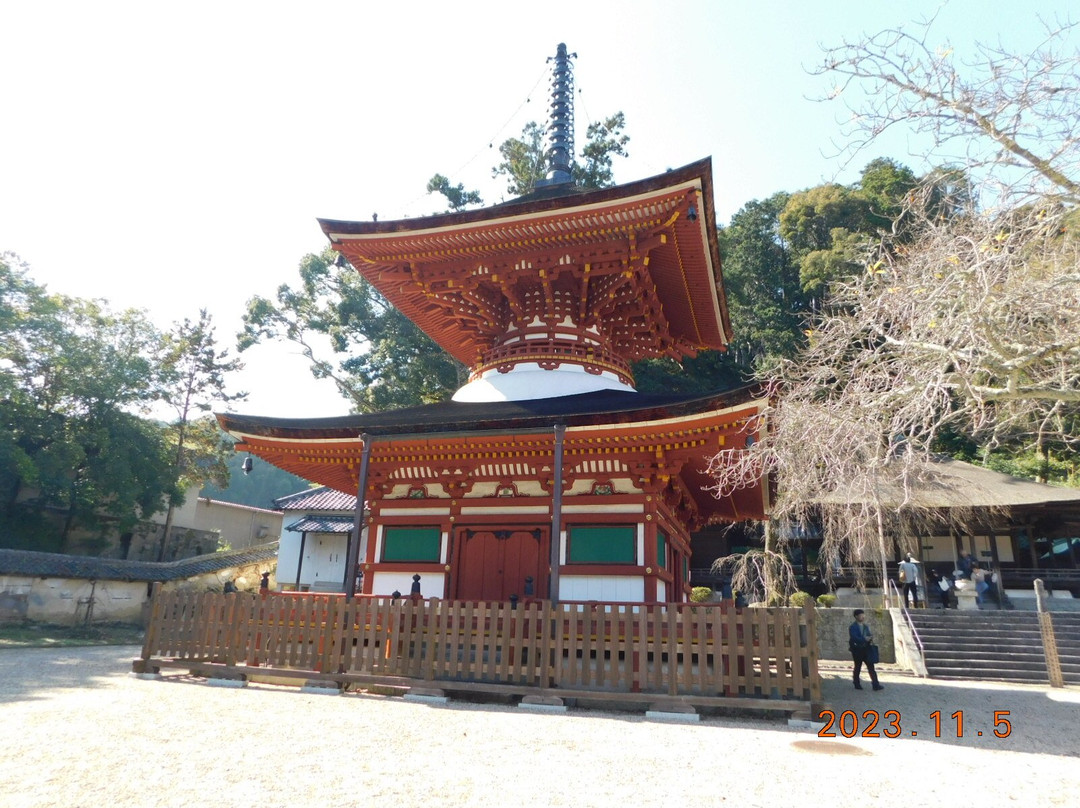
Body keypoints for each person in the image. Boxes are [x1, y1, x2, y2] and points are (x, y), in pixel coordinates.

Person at [848, 609, 884, 691]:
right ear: (856, 616)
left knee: (871, 667)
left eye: (863, 615)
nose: (863, 617)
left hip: (866, 649)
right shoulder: (852, 627)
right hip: (857, 650)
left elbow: (869, 634)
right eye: (861, 615)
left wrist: (870, 638)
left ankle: (875, 684)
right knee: (858, 667)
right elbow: (854, 637)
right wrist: (864, 639)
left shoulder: (865, 626)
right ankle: (856, 683)